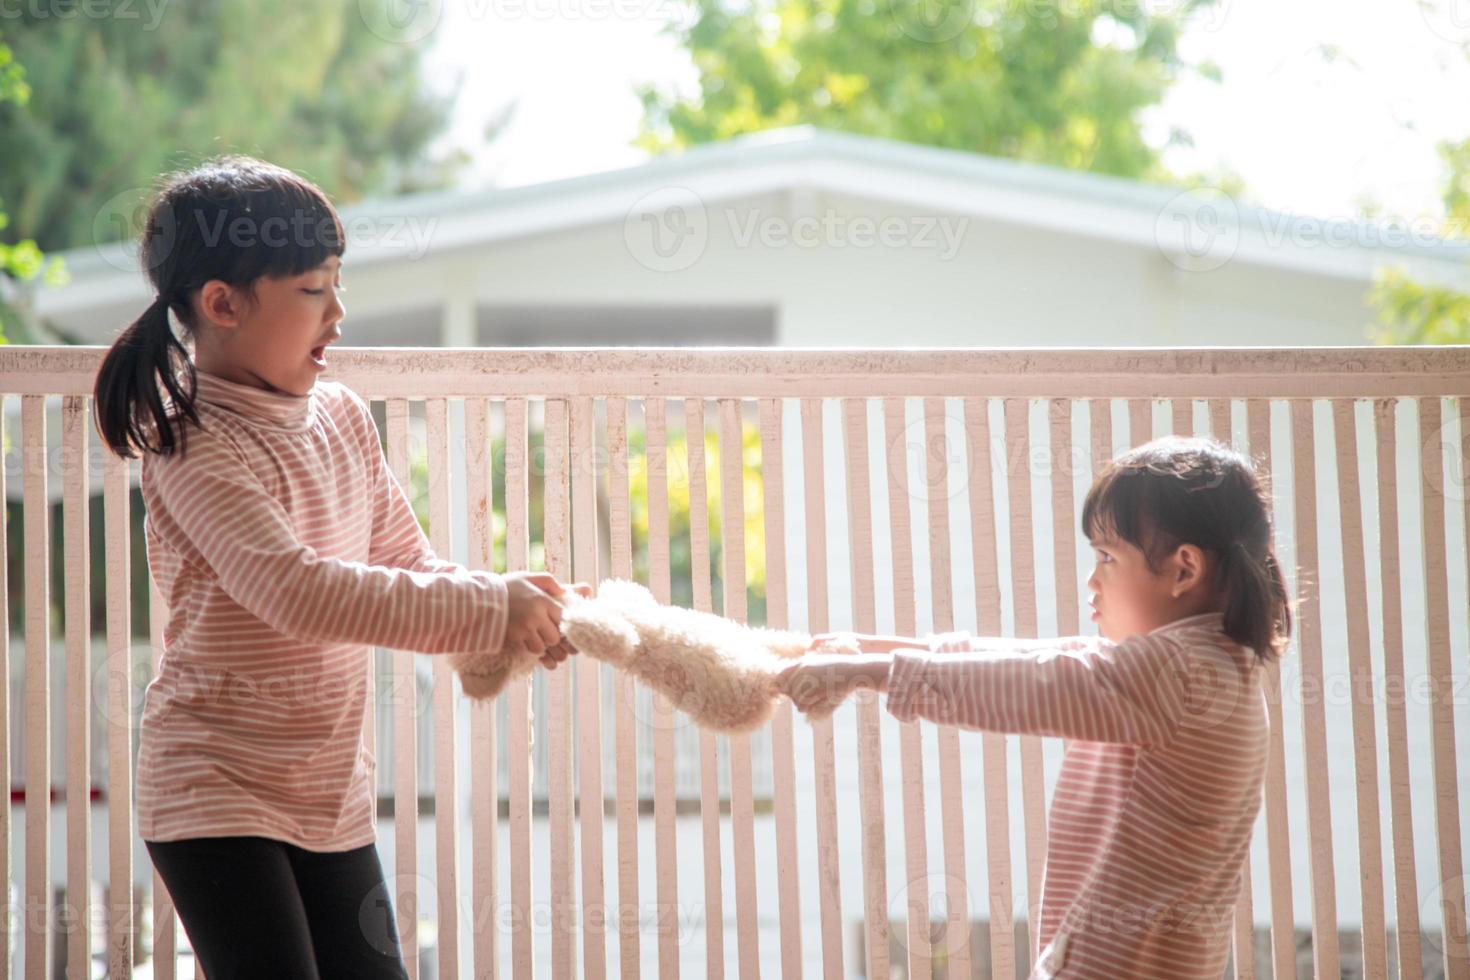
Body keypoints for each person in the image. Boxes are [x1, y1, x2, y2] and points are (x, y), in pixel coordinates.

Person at [93, 155, 585, 978]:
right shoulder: (195, 444)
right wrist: (485, 607)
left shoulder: (343, 417)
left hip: (327, 793)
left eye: (337, 284)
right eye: (314, 290)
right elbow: (297, 591)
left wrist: (504, 626)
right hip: (214, 789)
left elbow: (406, 565)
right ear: (223, 303)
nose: (339, 311)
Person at [776, 435, 1292, 979]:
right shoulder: (1206, 662)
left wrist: (872, 673)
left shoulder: (1181, 674)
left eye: (1107, 558)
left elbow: (1035, 683)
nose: (1092, 581)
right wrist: (869, 649)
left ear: (1184, 570)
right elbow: (1042, 657)